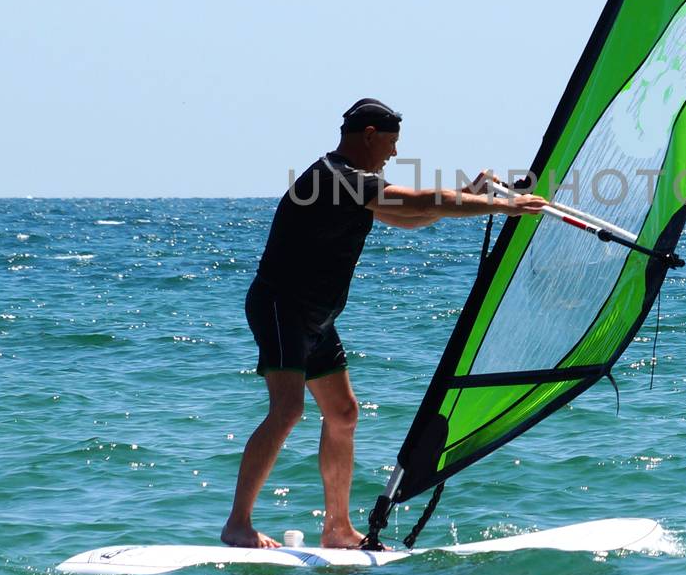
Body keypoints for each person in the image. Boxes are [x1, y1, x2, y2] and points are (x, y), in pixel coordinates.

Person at [221, 98, 544, 549]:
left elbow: (409, 217)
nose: (394, 154)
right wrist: (497, 207)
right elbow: (422, 200)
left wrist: (476, 195)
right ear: (369, 135)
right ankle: (238, 523)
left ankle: (336, 528)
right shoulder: (334, 178)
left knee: (343, 413)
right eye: (391, 143)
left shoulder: (356, 182)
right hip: (283, 308)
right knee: (288, 409)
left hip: (317, 316)